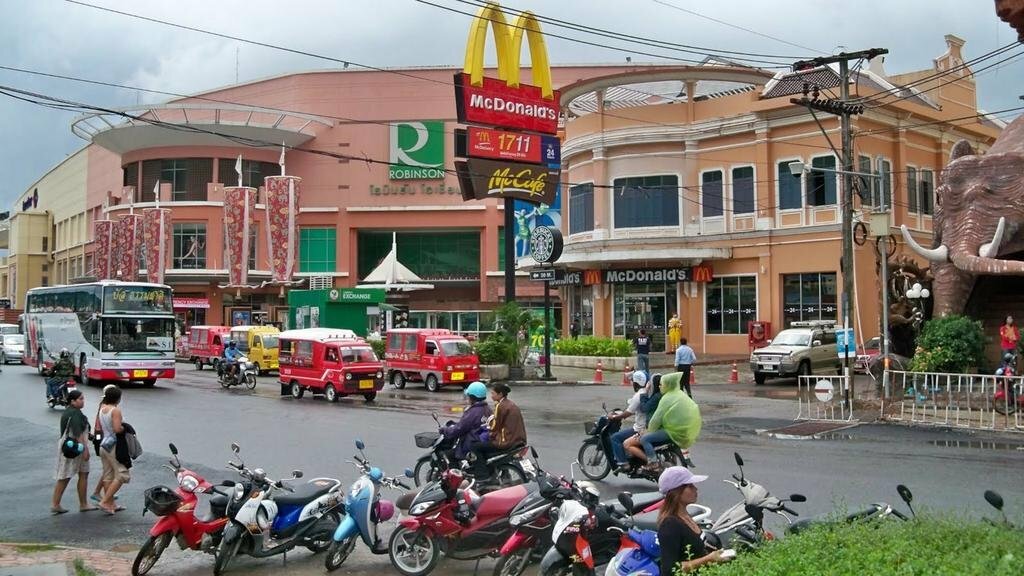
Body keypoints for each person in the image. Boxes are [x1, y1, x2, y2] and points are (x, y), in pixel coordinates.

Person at [657, 467, 731, 574]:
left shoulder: (686, 516)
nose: (695, 489)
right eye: (690, 486)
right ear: (676, 492)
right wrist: (708, 559)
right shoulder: (670, 525)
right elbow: (670, 570)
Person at [628, 372, 701, 472]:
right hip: (684, 430)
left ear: (668, 385)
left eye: (662, 384)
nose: (660, 386)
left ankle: (653, 463)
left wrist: (647, 431)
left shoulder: (666, 398)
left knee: (644, 439)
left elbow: (656, 419)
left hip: (672, 431)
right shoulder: (679, 394)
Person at [51, 390, 97, 514]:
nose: (83, 401)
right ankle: (78, 504)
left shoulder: (71, 412)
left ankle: (77, 503)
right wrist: (85, 450)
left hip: (70, 445)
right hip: (75, 447)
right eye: (80, 399)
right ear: (72, 401)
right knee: (67, 476)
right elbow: (78, 433)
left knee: (80, 473)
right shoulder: (75, 414)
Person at [473, 383, 527, 479]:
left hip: (506, 442)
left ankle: (482, 476)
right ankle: (503, 472)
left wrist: (487, 425)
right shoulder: (511, 404)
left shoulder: (500, 406)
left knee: (476, 447)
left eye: (493, 393)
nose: (491, 396)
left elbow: (495, 425)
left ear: (500, 394)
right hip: (518, 440)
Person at [96, 385, 129, 515]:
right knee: (122, 475)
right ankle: (105, 501)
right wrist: (124, 428)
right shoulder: (115, 410)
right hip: (114, 445)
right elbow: (117, 429)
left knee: (108, 475)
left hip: (104, 445)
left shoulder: (102, 409)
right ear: (118, 398)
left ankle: (111, 504)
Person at [443, 381, 492, 462]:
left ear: (472, 397)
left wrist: (445, 430)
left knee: (449, 455)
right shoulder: (487, 408)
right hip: (483, 440)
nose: (467, 398)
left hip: (472, 442)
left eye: (468, 396)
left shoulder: (473, 411)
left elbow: (460, 428)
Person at [610, 371, 648, 472]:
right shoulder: (648, 391)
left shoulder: (639, 395)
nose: (632, 384)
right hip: (648, 426)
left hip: (640, 428)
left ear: (636, 383)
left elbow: (628, 413)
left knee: (615, 438)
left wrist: (615, 417)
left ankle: (623, 463)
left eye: (633, 382)